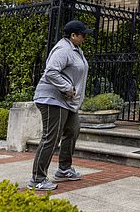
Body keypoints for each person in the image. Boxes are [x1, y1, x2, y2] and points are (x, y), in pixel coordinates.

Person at [27, 20, 93, 191]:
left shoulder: (76, 50)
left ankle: (64, 169)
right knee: (51, 137)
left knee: (73, 130)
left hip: (67, 101)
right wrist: (67, 88)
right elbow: (50, 71)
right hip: (52, 99)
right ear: (73, 35)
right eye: (83, 34)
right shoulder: (63, 49)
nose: (85, 37)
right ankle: (37, 178)